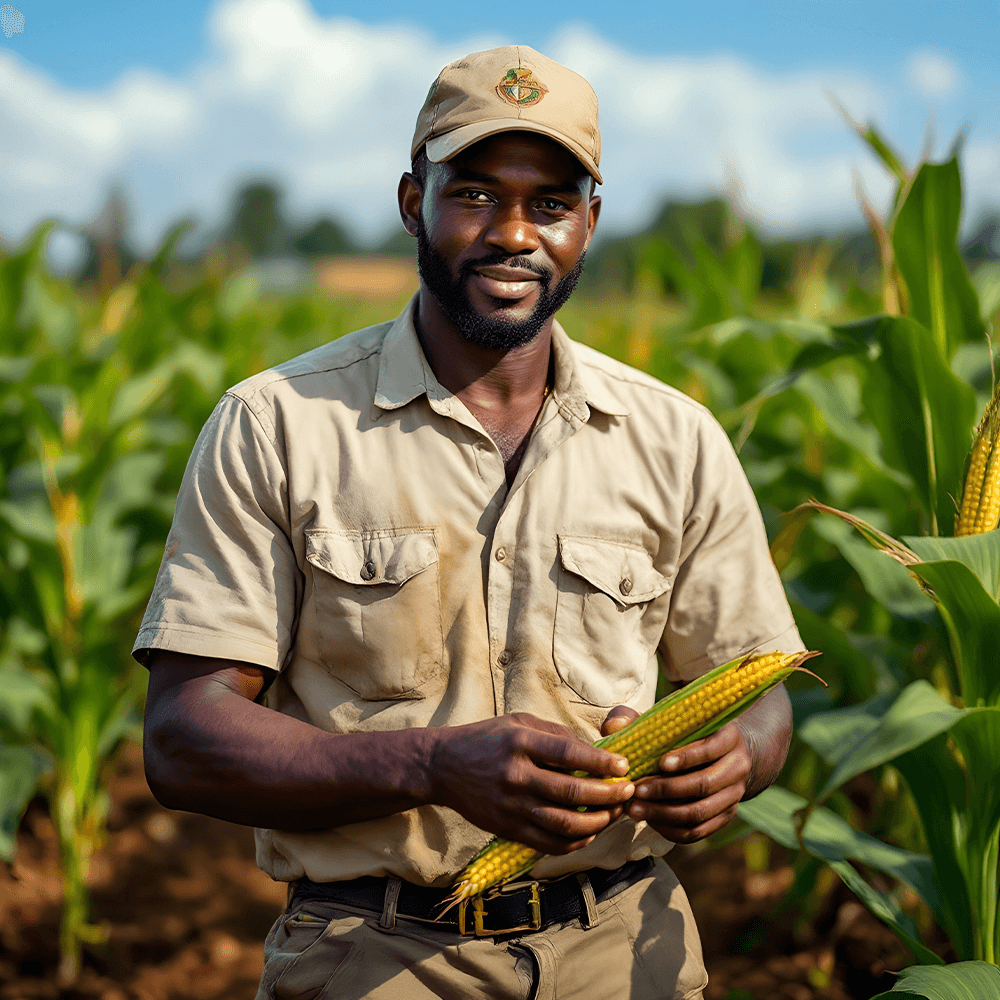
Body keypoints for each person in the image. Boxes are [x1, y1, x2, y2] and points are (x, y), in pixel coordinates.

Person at [137, 45, 805, 1000]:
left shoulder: (677, 439)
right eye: (477, 195)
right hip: (374, 956)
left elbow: (760, 687)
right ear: (415, 203)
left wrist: (736, 758)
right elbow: (184, 739)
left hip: (626, 950)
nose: (515, 234)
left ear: (590, 223)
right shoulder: (278, 424)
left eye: (552, 204)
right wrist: (432, 763)